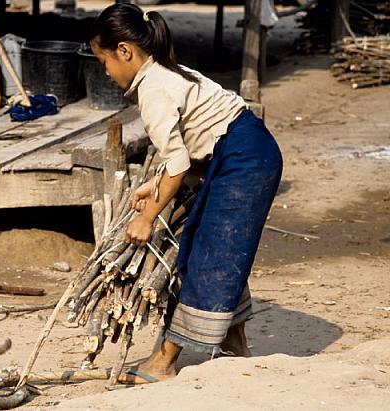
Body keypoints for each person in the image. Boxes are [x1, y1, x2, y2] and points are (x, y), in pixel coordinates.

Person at [89, 3, 283, 384]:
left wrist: (146, 220)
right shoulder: (165, 71)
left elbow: (178, 164)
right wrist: (155, 181)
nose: (106, 72)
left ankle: (163, 362)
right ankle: (235, 345)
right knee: (210, 247)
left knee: (209, 254)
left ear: (125, 51)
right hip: (242, 151)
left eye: (105, 62)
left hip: (245, 159)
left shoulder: (153, 90)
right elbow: (193, 145)